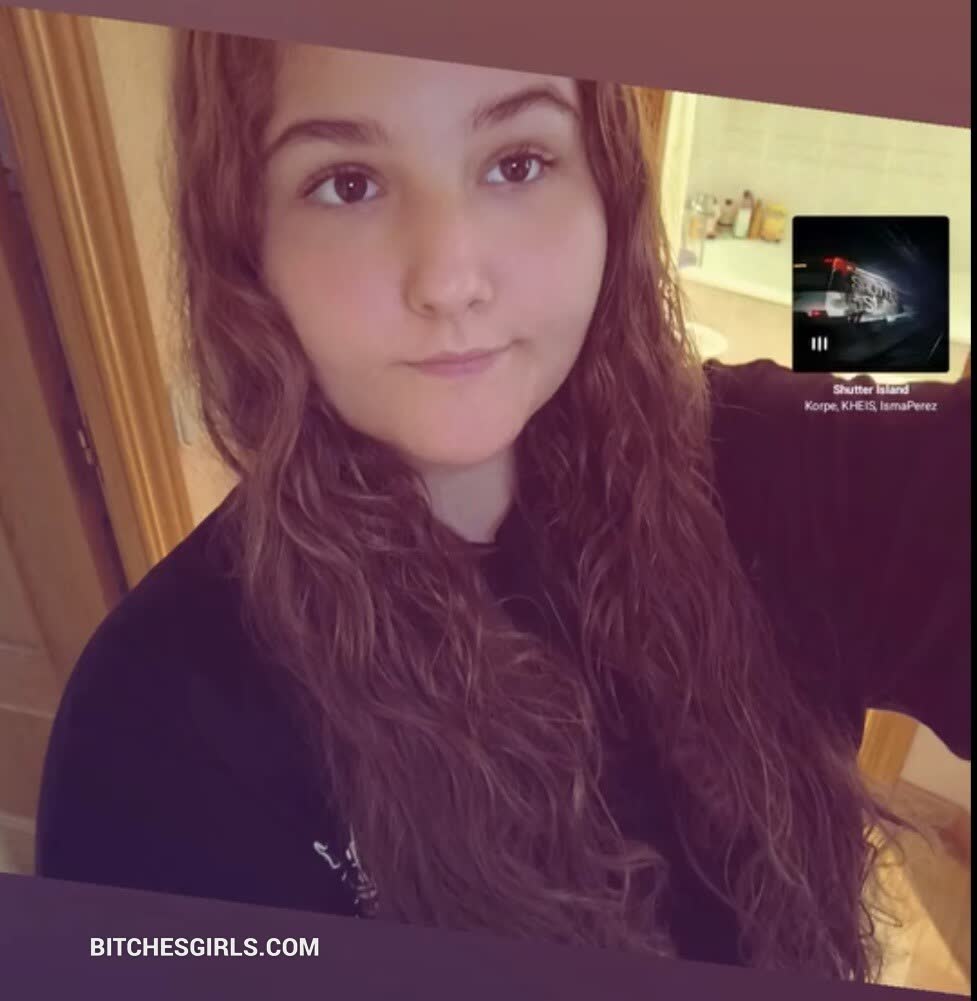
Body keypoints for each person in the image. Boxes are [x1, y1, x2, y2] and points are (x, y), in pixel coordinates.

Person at [35, 31, 970, 983]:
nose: (449, 280)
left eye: (517, 163)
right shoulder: (156, 726)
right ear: (247, 240)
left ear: (606, 186)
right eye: (348, 183)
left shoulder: (775, 464)